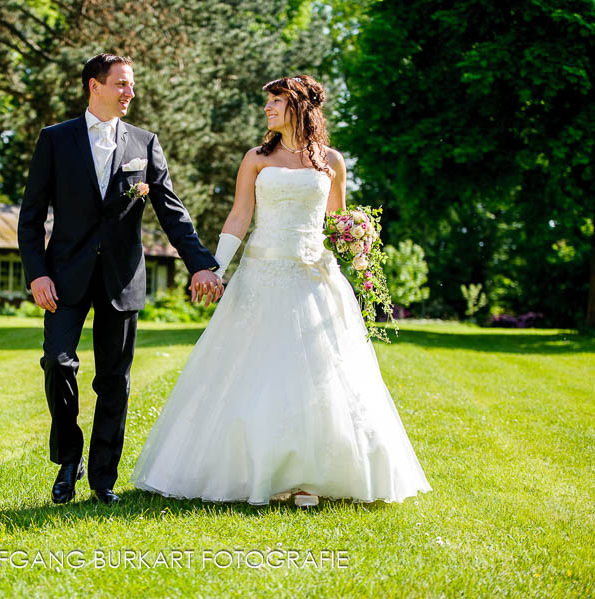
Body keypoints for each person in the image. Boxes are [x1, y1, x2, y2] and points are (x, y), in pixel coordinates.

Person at [131, 75, 432, 507]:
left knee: (318, 375)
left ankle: (309, 478)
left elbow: (336, 219)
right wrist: (215, 266)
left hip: (313, 276)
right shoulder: (255, 158)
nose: (268, 108)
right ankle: (256, 470)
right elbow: (239, 216)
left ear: (300, 107)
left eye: (276, 101)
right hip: (261, 274)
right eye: (268, 101)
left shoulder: (331, 161)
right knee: (261, 369)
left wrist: (356, 237)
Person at [18, 53, 223, 506]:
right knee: (58, 362)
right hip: (64, 277)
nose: (131, 92)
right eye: (122, 84)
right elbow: (31, 216)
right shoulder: (55, 140)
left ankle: (102, 480)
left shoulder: (145, 143)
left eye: (131, 85)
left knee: (115, 381)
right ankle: (68, 456)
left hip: (121, 278)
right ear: (95, 86)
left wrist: (201, 264)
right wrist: (37, 274)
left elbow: (171, 212)